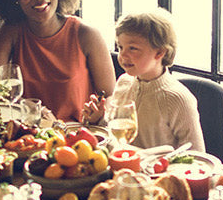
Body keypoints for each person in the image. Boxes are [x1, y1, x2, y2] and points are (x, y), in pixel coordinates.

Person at [0, 0, 115, 122]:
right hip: (29, 136)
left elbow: (110, 96)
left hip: (77, 137)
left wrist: (98, 114)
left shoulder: (86, 34)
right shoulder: (11, 31)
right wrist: (28, 107)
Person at [81, 9, 204, 152]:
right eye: (121, 47)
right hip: (122, 169)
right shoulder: (123, 82)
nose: (123, 55)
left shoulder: (178, 99)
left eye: (132, 48)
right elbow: (115, 135)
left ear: (159, 52)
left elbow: (196, 156)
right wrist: (98, 119)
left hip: (158, 173)